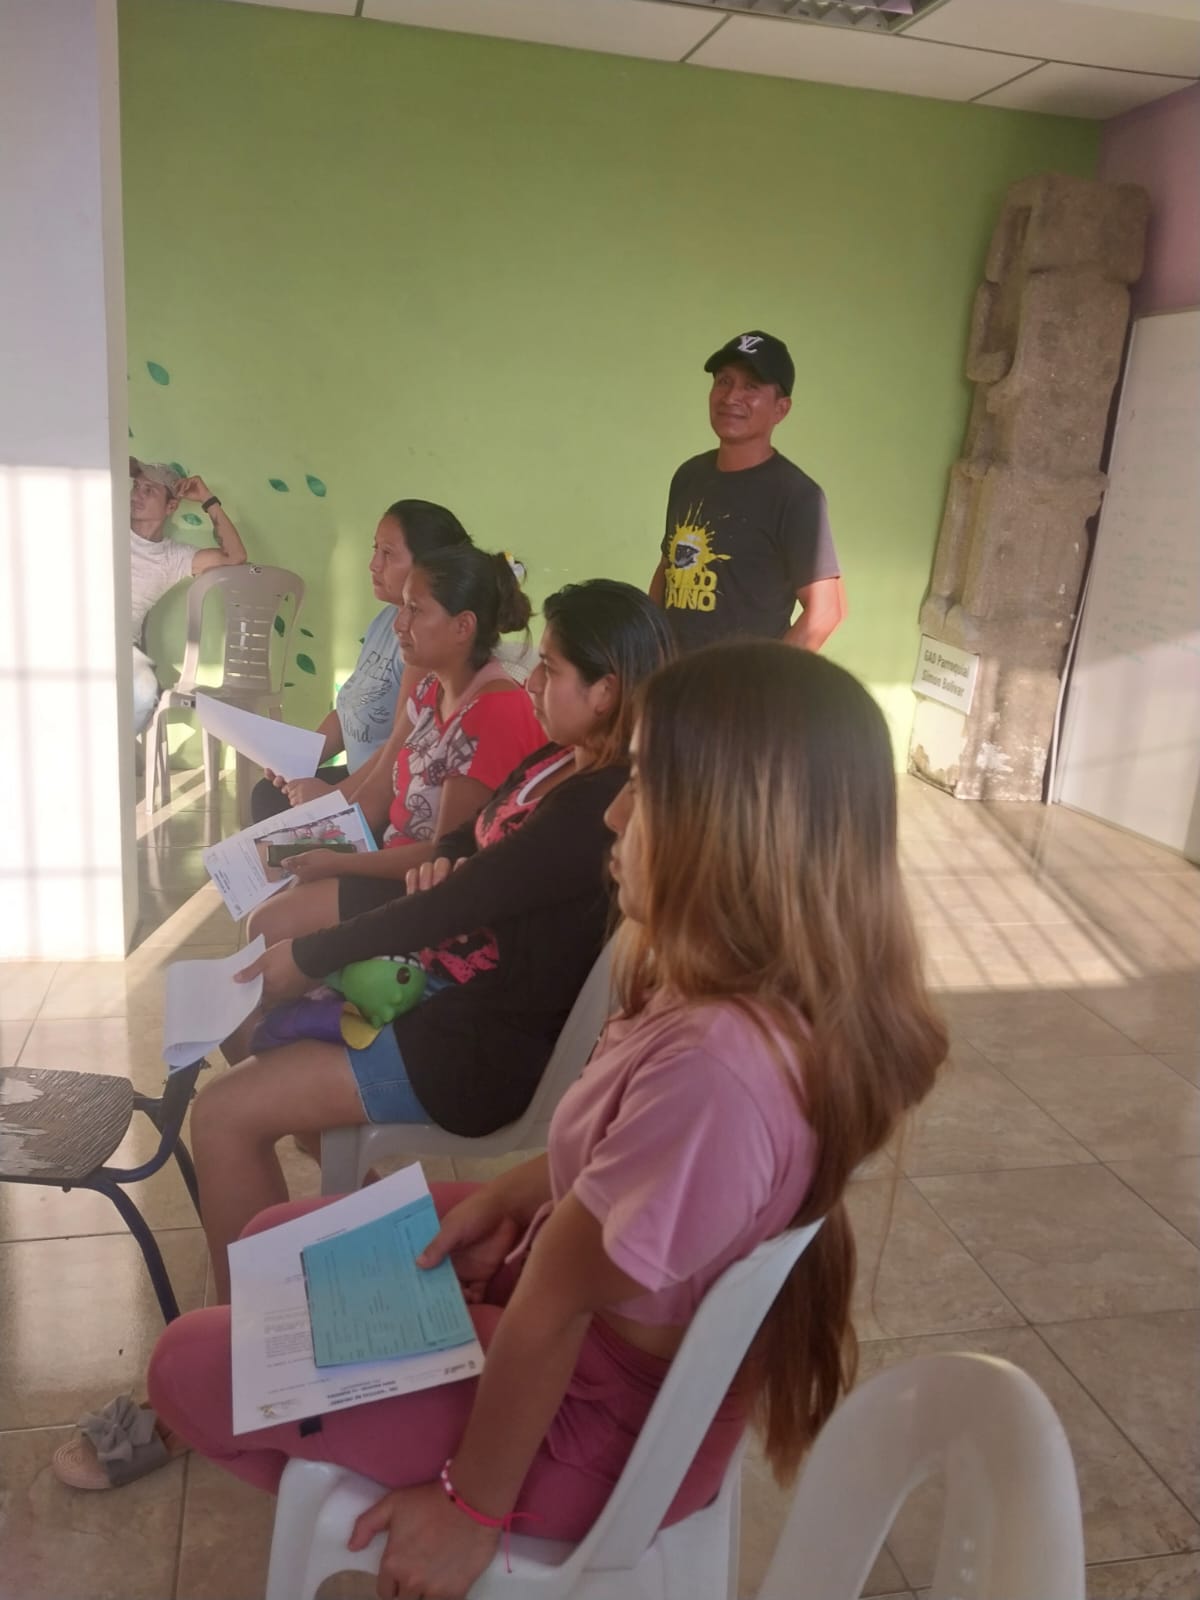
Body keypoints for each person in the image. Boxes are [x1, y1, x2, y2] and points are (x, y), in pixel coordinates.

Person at [59, 642, 944, 1600]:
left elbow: (561, 1295)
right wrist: (507, 1202)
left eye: (645, 786)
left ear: (738, 832)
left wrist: (472, 1508)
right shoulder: (723, 992)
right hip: (575, 1327)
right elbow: (601, 1168)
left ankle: (349, 1461)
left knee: (189, 1365)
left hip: (587, 1426)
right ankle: (330, 1421)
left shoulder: (720, 1070)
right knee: (278, 1238)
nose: (614, 813)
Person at [246, 542, 544, 951]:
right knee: (264, 871)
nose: (399, 624)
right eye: (403, 607)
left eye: (415, 610)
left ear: (463, 627)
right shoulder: (430, 690)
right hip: (392, 858)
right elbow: (374, 798)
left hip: (429, 892)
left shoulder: (492, 713)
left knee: (270, 924)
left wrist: (339, 862)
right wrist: (303, 841)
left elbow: (446, 860)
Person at [249, 500, 472, 823]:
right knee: (268, 795)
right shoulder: (385, 621)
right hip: (357, 778)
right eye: (375, 549)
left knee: (284, 816)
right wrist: (298, 761)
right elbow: (349, 711)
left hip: (386, 793)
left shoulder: (424, 644)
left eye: (388, 553)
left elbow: (400, 749)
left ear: (428, 567)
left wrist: (335, 797)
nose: (373, 564)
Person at [649, 331, 847, 654]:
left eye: (751, 386)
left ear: (781, 409)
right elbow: (667, 569)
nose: (731, 397)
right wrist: (648, 655)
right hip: (675, 677)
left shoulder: (796, 496)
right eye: (724, 381)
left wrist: (760, 678)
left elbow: (826, 611)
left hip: (741, 683)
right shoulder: (688, 476)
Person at [129, 458, 247, 734]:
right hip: (77, 638)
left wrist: (207, 498)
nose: (137, 495)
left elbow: (235, 556)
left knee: (144, 694)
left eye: (149, 490)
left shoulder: (173, 557)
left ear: (171, 506)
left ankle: (110, 754)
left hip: (123, 648)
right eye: (136, 486)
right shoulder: (106, 527)